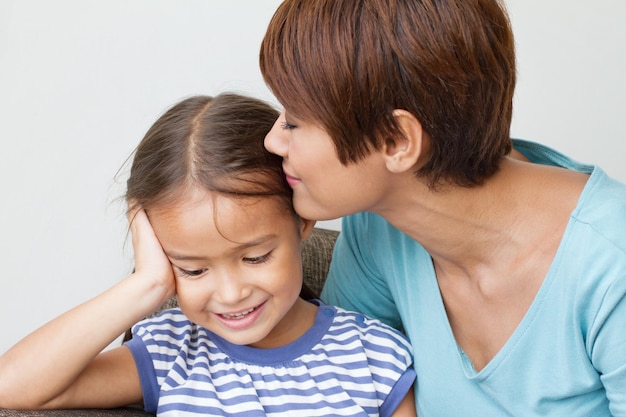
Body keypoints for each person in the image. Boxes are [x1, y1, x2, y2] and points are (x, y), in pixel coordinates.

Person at [259, 0, 626, 416]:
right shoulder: (377, 226)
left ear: (397, 141)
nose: (274, 140)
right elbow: (333, 388)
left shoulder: (611, 262)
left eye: (294, 122)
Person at [0, 93, 417, 416]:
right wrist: (146, 285)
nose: (231, 293)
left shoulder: (373, 353)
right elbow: (13, 386)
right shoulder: (173, 352)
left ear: (302, 220)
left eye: (255, 258)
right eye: (194, 269)